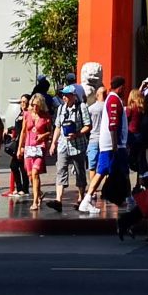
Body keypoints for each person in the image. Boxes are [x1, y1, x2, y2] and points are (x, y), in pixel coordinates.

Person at [79, 76, 126, 215]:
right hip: (111, 145)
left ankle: (127, 199)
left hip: (113, 144)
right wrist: (115, 144)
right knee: (101, 172)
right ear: (121, 87)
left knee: (121, 171)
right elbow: (113, 124)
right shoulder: (113, 100)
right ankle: (86, 200)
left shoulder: (113, 100)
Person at [51, 82, 89, 212]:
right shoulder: (61, 109)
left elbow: (88, 125)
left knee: (80, 172)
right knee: (61, 170)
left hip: (78, 145)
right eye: (63, 95)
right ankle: (58, 200)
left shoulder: (81, 107)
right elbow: (57, 127)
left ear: (73, 96)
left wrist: (77, 134)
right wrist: (53, 143)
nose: (64, 98)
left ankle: (80, 198)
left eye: (67, 95)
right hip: (63, 145)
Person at [18, 92, 52, 210]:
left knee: (35, 172)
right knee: (30, 175)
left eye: (37, 105)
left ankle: (35, 201)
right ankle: (39, 193)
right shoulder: (27, 114)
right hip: (28, 147)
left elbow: (50, 132)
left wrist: (43, 136)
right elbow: (23, 131)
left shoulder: (45, 116)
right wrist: (20, 147)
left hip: (39, 147)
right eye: (33, 104)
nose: (34, 107)